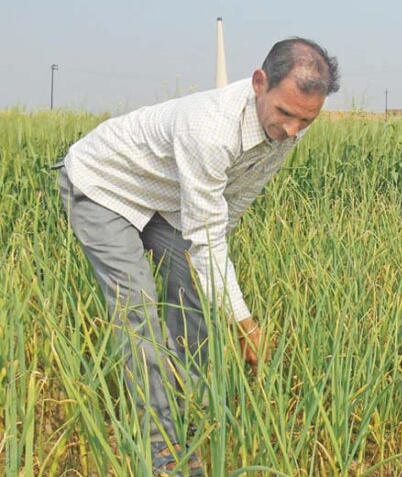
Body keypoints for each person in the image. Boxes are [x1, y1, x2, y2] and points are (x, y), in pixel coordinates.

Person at [54, 37, 339, 475]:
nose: (292, 131)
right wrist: (246, 324)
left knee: (195, 304)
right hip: (104, 186)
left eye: (307, 120)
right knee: (140, 316)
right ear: (259, 82)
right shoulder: (210, 128)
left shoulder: (286, 132)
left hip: (166, 200)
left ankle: (186, 419)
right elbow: (206, 236)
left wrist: (224, 300)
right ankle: (162, 454)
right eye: (285, 113)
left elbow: (226, 214)